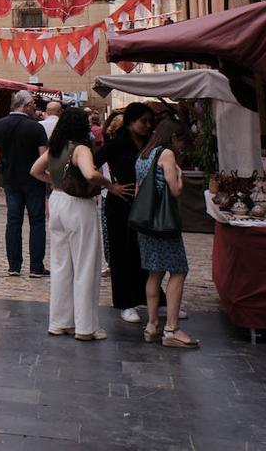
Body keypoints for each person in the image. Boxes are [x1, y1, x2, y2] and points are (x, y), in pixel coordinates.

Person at [30, 107, 111, 341]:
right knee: (86, 265)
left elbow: (35, 170)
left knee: (60, 264)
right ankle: (86, 326)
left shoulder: (55, 148)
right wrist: (108, 184)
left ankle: (59, 321)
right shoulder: (81, 149)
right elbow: (90, 174)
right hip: (79, 205)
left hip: (57, 202)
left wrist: (56, 182)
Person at [136, 118, 199, 348]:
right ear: (173, 137)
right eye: (181, 141)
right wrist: (180, 176)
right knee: (178, 271)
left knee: (154, 272)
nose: (182, 146)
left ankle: (152, 325)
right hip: (164, 224)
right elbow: (175, 189)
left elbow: (138, 190)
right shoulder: (167, 155)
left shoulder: (143, 154)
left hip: (146, 223)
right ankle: (172, 328)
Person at [94, 102, 154, 323]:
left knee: (144, 251)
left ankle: (149, 297)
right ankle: (124, 302)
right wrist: (109, 185)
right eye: (143, 121)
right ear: (131, 122)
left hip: (146, 204)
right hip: (121, 203)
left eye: (149, 122)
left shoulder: (149, 143)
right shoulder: (117, 144)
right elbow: (91, 164)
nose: (147, 126)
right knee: (122, 254)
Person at [0, 90, 49, 277]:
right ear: (25, 105)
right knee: (37, 221)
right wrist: (48, 178)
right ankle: (36, 266)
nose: (34, 108)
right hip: (34, 180)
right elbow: (43, 156)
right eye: (33, 104)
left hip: (11, 179)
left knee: (13, 221)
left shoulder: (0, 125)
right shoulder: (36, 128)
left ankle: (14, 266)